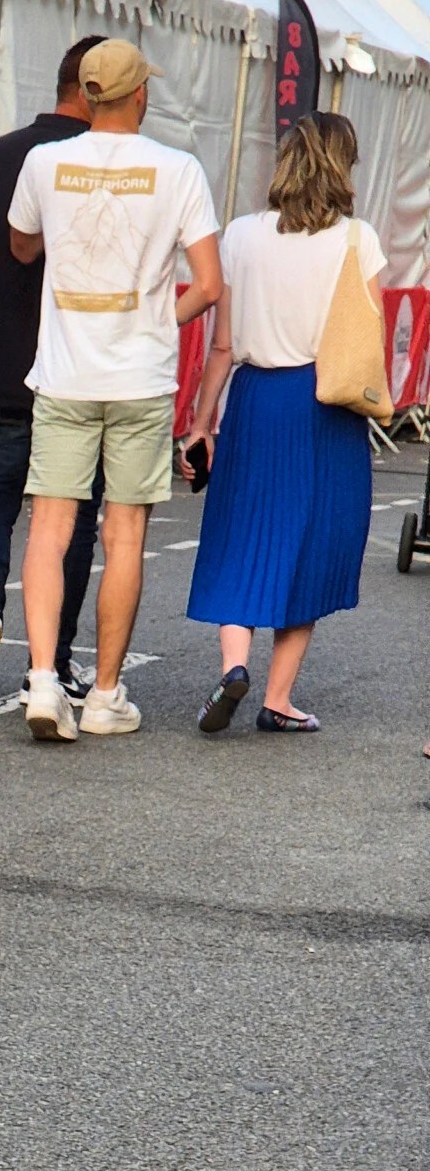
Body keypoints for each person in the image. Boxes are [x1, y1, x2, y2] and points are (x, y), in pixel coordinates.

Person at [8, 39, 222, 742]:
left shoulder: (43, 161)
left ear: (86, 94)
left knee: (49, 526)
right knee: (123, 533)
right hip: (141, 377)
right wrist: (159, 317)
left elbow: (20, 244)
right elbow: (210, 285)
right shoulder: (178, 169)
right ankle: (103, 694)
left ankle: (43, 678)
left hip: (65, 369)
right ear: (140, 96)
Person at [184, 113, 380, 734]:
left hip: (254, 399)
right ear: (342, 167)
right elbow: (365, 334)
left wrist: (200, 422)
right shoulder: (357, 238)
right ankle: (279, 697)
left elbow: (222, 345)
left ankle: (233, 666)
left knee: (241, 532)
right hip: (325, 406)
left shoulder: (241, 235)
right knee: (313, 543)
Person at [0, 37, 106, 706]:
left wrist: (7, 278)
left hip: (6, 363)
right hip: (79, 369)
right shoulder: (103, 167)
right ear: (100, 92)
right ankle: (54, 660)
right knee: (70, 516)